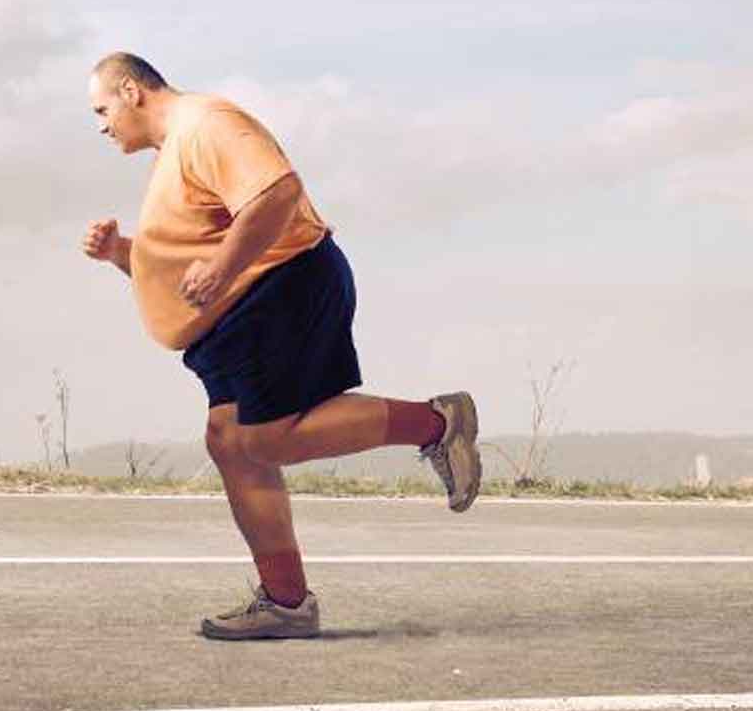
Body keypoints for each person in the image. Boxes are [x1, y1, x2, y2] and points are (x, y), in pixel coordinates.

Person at [80, 52, 480, 640]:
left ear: (132, 91)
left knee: (263, 439)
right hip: (237, 310)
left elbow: (277, 194)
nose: (101, 124)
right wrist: (124, 255)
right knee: (230, 444)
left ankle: (436, 423)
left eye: (102, 108)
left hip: (282, 287)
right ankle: (287, 602)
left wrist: (222, 265)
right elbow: (194, 254)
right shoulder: (174, 154)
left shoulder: (207, 123)